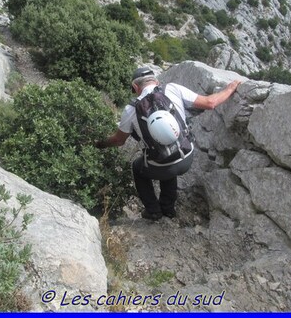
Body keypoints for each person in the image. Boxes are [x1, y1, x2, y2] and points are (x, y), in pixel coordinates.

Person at [96, 67, 241, 220]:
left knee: (139, 167)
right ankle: (168, 208)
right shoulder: (172, 88)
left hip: (161, 167)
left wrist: (100, 144)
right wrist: (230, 88)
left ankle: (153, 211)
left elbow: (119, 140)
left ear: (135, 88)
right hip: (186, 158)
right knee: (169, 153)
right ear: (157, 82)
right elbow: (210, 103)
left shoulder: (130, 109)